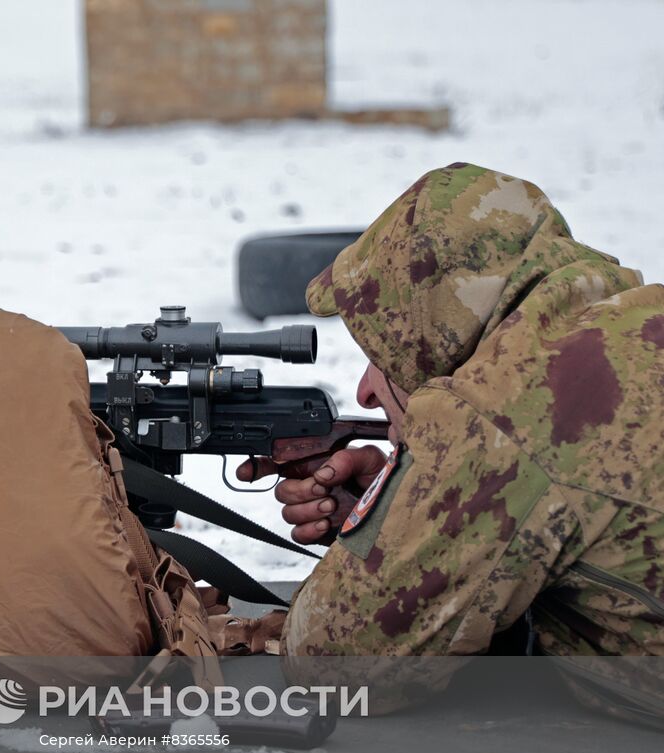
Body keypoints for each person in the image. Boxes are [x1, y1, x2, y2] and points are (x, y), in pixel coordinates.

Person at [236, 162, 664, 662]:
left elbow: (333, 658)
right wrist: (406, 506)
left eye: (381, 353)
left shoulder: (500, 412)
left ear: (433, 332)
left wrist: (400, 518)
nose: (366, 392)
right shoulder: (633, 322)